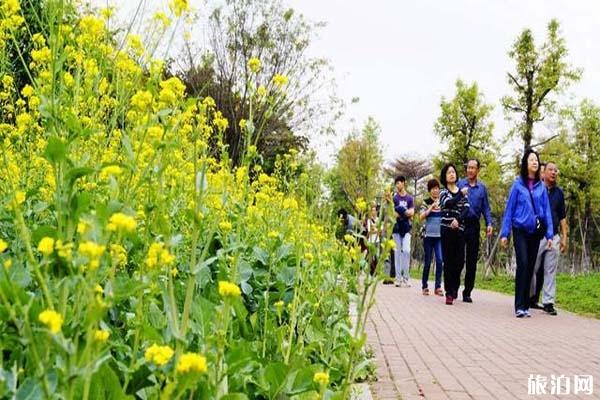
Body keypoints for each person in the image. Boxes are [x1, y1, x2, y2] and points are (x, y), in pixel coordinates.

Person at [500, 149, 553, 318]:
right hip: (520, 228)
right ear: (526, 164)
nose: (535, 162)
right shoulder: (517, 184)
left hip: (535, 231)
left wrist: (550, 235)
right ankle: (519, 306)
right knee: (522, 262)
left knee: (530, 266)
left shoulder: (541, 187)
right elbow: (509, 209)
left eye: (536, 160)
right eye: (531, 160)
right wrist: (505, 233)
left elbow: (547, 212)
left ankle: (526, 304)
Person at [529, 161, 568, 315]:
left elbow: (563, 217)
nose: (553, 172)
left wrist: (565, 238)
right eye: (550, 170)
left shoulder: (559, 193)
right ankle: (528, 297)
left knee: (550, 270)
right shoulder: (536, 190)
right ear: (543, 173)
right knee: (532, 267)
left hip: (554, 236)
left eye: (555, 170)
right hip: (538, 235)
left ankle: (548, 302)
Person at [457, 159, 493, 303]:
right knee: (458, 258)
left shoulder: (482, 188)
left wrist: (489, 223)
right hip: (460, 224)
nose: (470, 170)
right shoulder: (460, 184)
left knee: (472, 261)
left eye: (473, 168)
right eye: (468, 168)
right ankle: (453, 288)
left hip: (474, 225)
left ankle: (467, 292)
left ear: (478, 170)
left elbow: (486, 208)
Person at [439, 163, 470, 305]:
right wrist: (460, 194)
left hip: (460, 230)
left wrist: (458, 220)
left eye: (453, 172)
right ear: (445, 177)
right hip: (446, 229)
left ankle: (455, 286)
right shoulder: (443, 192)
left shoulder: (462, 191)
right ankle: (449, 292)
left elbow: (466, 208)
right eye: (449, 172)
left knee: (459, 261)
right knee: (448, 261)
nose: (452, 174)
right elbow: (449, 203)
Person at [419, 178, 444, 296]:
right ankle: (424, 286)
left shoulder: (443, 202)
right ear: (429, 190)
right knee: (428, 261)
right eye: (433, 189)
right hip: (428, 236)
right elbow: (421, 217)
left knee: (440, 260)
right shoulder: (426, 202)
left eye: (437, 189)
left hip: (439, 236)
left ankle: (438, 286)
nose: (435, 191)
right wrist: (431, 208)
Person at [392, 176, 415, 287]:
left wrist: (402, 211)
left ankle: (406, 277)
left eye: (399, 183)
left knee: (406, 251)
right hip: (396, 229)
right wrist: (405, 213)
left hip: (406, 229)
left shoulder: (409, 198)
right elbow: (393, 214)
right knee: (397, 252)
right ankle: (398, 278)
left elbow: (412, 212)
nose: (397, 185)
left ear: (403, 183)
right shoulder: (394, 198)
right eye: (396, 183)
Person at [366, 203, 381, 276]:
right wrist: (376, 229)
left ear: (376, 212)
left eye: (374, 211)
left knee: (377, 256)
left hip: (377, 241)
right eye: (372, 211)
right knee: (371, 257)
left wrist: (374, 228)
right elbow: (369, 231)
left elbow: (380, 231)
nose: (373, 212)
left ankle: (376, 271)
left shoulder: (379, 220)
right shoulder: (369, 220)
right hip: (370, 241)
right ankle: (371, 272)